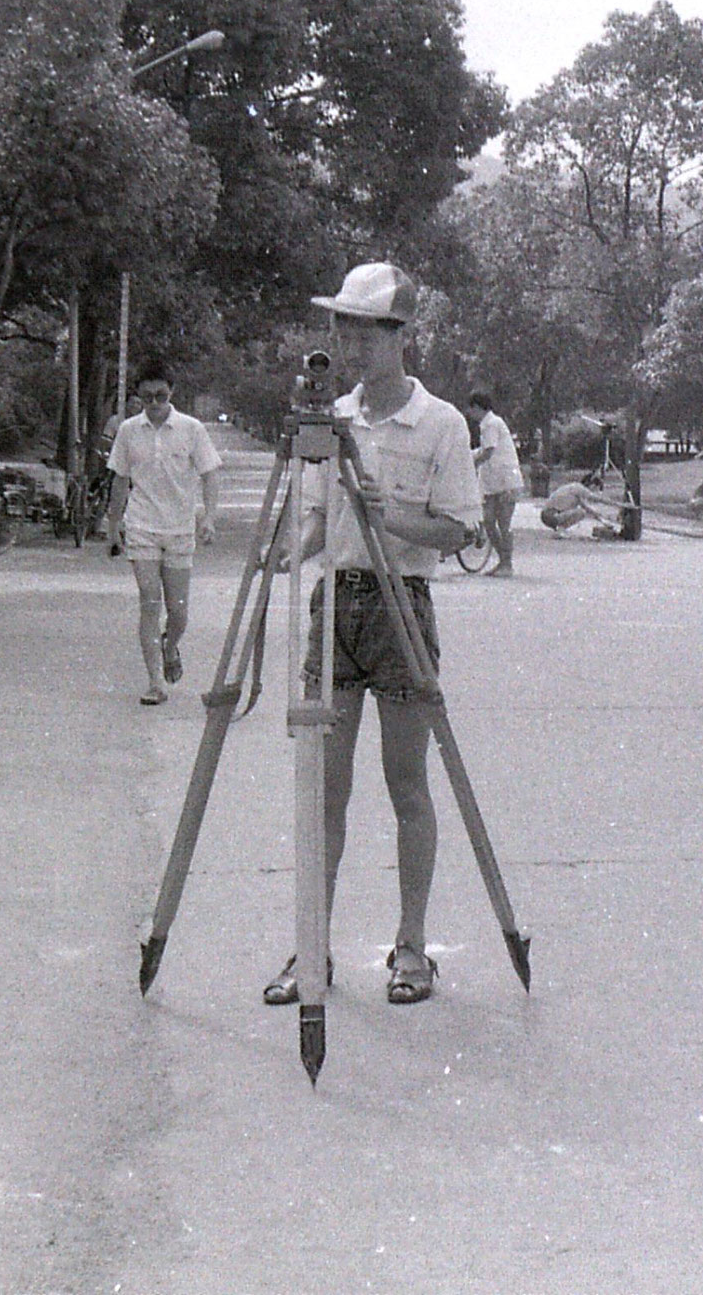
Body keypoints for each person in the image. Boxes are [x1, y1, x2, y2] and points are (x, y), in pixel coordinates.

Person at [263, 262, 482, 1009]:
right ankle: (310, 944)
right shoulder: (336, 418)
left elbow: (458, 527)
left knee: (406, 783)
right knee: (324, 790)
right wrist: (291, 547)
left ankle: (412, 945)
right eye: (343, 327)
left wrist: (388, 515)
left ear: (399, 334)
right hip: (340, 604)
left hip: (403, 604)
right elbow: (322, 518)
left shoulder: (442, 422)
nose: (351, 342)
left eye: (365, 327)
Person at [104, 377, 224, 706]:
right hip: (142, 524)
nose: (154, 403)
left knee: (179, 611)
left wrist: (209, 517)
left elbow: (210, 473)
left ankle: (170, 646)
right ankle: (156, 682)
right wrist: (114, 526)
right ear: (138, 398)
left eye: (160, 395)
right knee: (148, 601)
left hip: (179, 528)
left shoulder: (191, 429)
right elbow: (120, 478)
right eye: (147, 397)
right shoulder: (129, 430)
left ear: (171, 392)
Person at [464, 391, 522, 576]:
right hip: (493, 482)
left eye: (471, 408)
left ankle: (507, 564)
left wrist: (472, 465)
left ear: (478, 407)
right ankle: (503, 560)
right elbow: (484, 449)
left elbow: (488, 451)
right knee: (488, 521)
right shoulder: (488, 425)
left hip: (505, 481)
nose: (469, 413)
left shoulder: (491, 424)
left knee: (503, 523)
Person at [541, 474, 628, 538]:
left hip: (546, 516)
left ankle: (560, 531)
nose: (594, 492)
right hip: (552, 515)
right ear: (593, 485)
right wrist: (618, 504)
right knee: (581, 513)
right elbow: (599, 499)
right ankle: (561, 530)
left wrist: (603, 521)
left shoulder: (575, 490)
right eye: (596, 489)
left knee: (582, 511)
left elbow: (588, 509)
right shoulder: (580, 488)